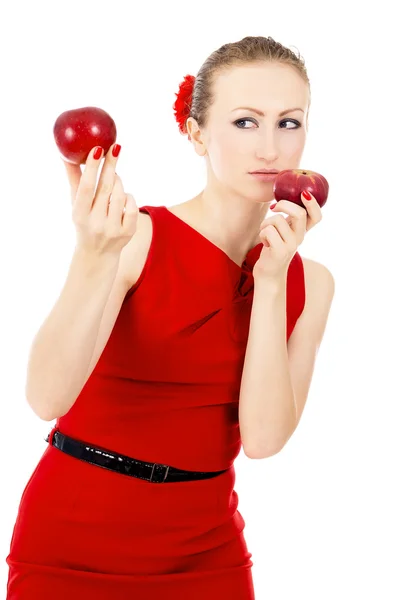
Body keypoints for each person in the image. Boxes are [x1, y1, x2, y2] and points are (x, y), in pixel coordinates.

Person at [6, 35, 335, 599]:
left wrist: (273, 277)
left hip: (207, 548)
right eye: (245, 122)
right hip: (76, 536)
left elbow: (263, 439)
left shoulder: (312, 283)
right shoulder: (135, 239)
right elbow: (45, 398)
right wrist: (94, 253)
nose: (270, 149)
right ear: (196, 131)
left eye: (288, 123)